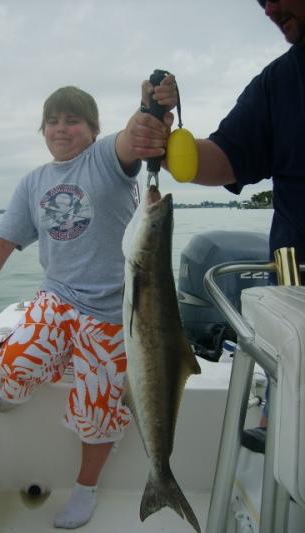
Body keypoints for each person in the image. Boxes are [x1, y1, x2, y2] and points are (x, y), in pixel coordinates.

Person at [0, 83, 174, 529]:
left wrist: (150, 108)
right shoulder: (33, 183)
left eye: (73, 120)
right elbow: (2, 241)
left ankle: (86, 489)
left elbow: (133, 137)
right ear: (42, 129)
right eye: (52, 121)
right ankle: (41, 372)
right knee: (14, 361)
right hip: (58, 296)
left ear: (93, 129)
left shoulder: (106, 159)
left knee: (100, 409)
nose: (61, 129)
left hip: (112, 312)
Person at [130, 0, 305, 454]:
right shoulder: (280, 83)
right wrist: (167, 147)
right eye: (260, 0)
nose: (268, 8)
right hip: (298, 301)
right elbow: (228, 158)